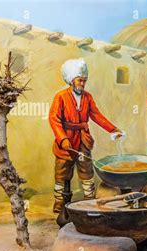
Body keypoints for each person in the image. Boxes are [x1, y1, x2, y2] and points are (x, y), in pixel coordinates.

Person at [49, 58, 124, 213]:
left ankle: (89, 199)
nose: (82, 84)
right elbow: (54, 119)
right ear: (71, 80)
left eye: (84, 81)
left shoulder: (88, 97)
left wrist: (113, 129)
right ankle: (59, 201)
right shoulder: (60, 97)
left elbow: (97, 115)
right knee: (62, 171)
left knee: (86, 170)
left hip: (83, 139)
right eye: (80, 80)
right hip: (66, 141)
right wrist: (62, 139)